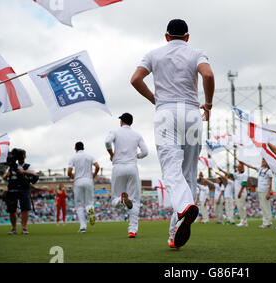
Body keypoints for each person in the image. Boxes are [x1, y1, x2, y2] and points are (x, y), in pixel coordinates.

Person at [131, 19, 215, 248]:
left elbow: (135, 79)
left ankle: (185, 207)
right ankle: (174, 234)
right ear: (187, 37)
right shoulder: (196, 52)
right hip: (191, 113)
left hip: (166, 113)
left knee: (171, 170)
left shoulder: (154, 54)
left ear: (166, 36)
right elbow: (207, 75)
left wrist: (154, 99)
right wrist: (207, 105)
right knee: (188, 173)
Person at [105, 113, 148, 238]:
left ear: (121, 121)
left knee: (114, 200)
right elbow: (145, 152)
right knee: (135, 200)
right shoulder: (137, 134)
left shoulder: (115, 131)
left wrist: (111, 153)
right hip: (132, 167)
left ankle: (121, 200)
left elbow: (107, 142)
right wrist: (137, 156)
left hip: (118, 167)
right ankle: (132, 230)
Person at [68, 142, 100, 233]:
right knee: (89, 203)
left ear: (75, 149)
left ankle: (83, 227)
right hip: (88, 180)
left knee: (79, 205)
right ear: (83, 148)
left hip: (78, 181)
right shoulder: (89, 156)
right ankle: (90, 211)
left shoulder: (73, 157)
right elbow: (97, 166)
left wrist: (73, 177)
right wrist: (93, 175)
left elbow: (69, 172)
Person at [3, 149, 37, 235]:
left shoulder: (28, 166)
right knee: (11, 210)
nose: (22, 157)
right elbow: (4, 177)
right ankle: (14, 228)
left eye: (23, 155)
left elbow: (34, 174)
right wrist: (6, 175)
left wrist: (23, 171)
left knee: (25, 209)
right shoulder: (11, 166)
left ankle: (24, 228)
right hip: (12, 189)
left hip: (23, 189)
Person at [240, 159, 274, 228]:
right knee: (263, 207)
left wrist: (269, 192)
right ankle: (265, 222)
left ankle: (269, 222)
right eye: (262, 161)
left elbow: (270, 182)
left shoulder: (269, 171)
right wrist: (244, 163)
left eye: (264, 161)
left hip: (265, 190)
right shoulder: (260, 169)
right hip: (260, 190)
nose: (262, 162)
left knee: (266, 206)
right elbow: (251, 167)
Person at [219, 162, 249, 227]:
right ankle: (242, 221)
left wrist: (240, 192)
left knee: (241, 207)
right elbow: (230, 174)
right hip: (237, 193)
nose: (237, 168)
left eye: (239, 167)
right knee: (239, 207)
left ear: (242, 168)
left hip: (241, 193)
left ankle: (244, 222)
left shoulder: (245, 174)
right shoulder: (237, 174)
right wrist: (221, 170)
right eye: (237, 167)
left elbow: (244, 184)